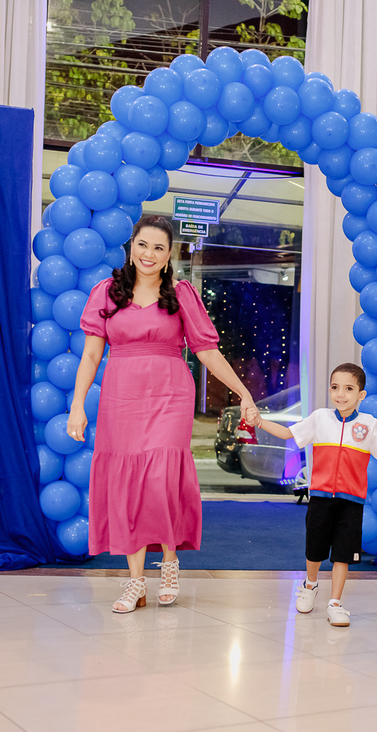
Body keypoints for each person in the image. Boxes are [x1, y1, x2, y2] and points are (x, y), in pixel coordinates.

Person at [67, 216, 257, 613]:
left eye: (158, 248)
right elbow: (91, 355)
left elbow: (207, 352)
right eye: (143, 245)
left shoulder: (182, 294)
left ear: (169, 255)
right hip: (121, 396)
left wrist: (243, 392)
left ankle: (169, 563)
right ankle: (135, 582)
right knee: (127, 484)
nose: (149, 254)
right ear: (131, 248)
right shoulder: (106, 292)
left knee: (161, 479)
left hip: (170, 393)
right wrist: (77, 405)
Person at [244, 363, 377, 627]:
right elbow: (289, 433)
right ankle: (310, 584)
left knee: (343, 553)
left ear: (361, 394)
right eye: (335, 387)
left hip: (351, 501)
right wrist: (260, 421)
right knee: (314, 548)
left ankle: (335, 603)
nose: (341, 394)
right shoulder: (320, 418)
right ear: (329, 390)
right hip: (320, 497)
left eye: (348, 389)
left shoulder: (369, 424)